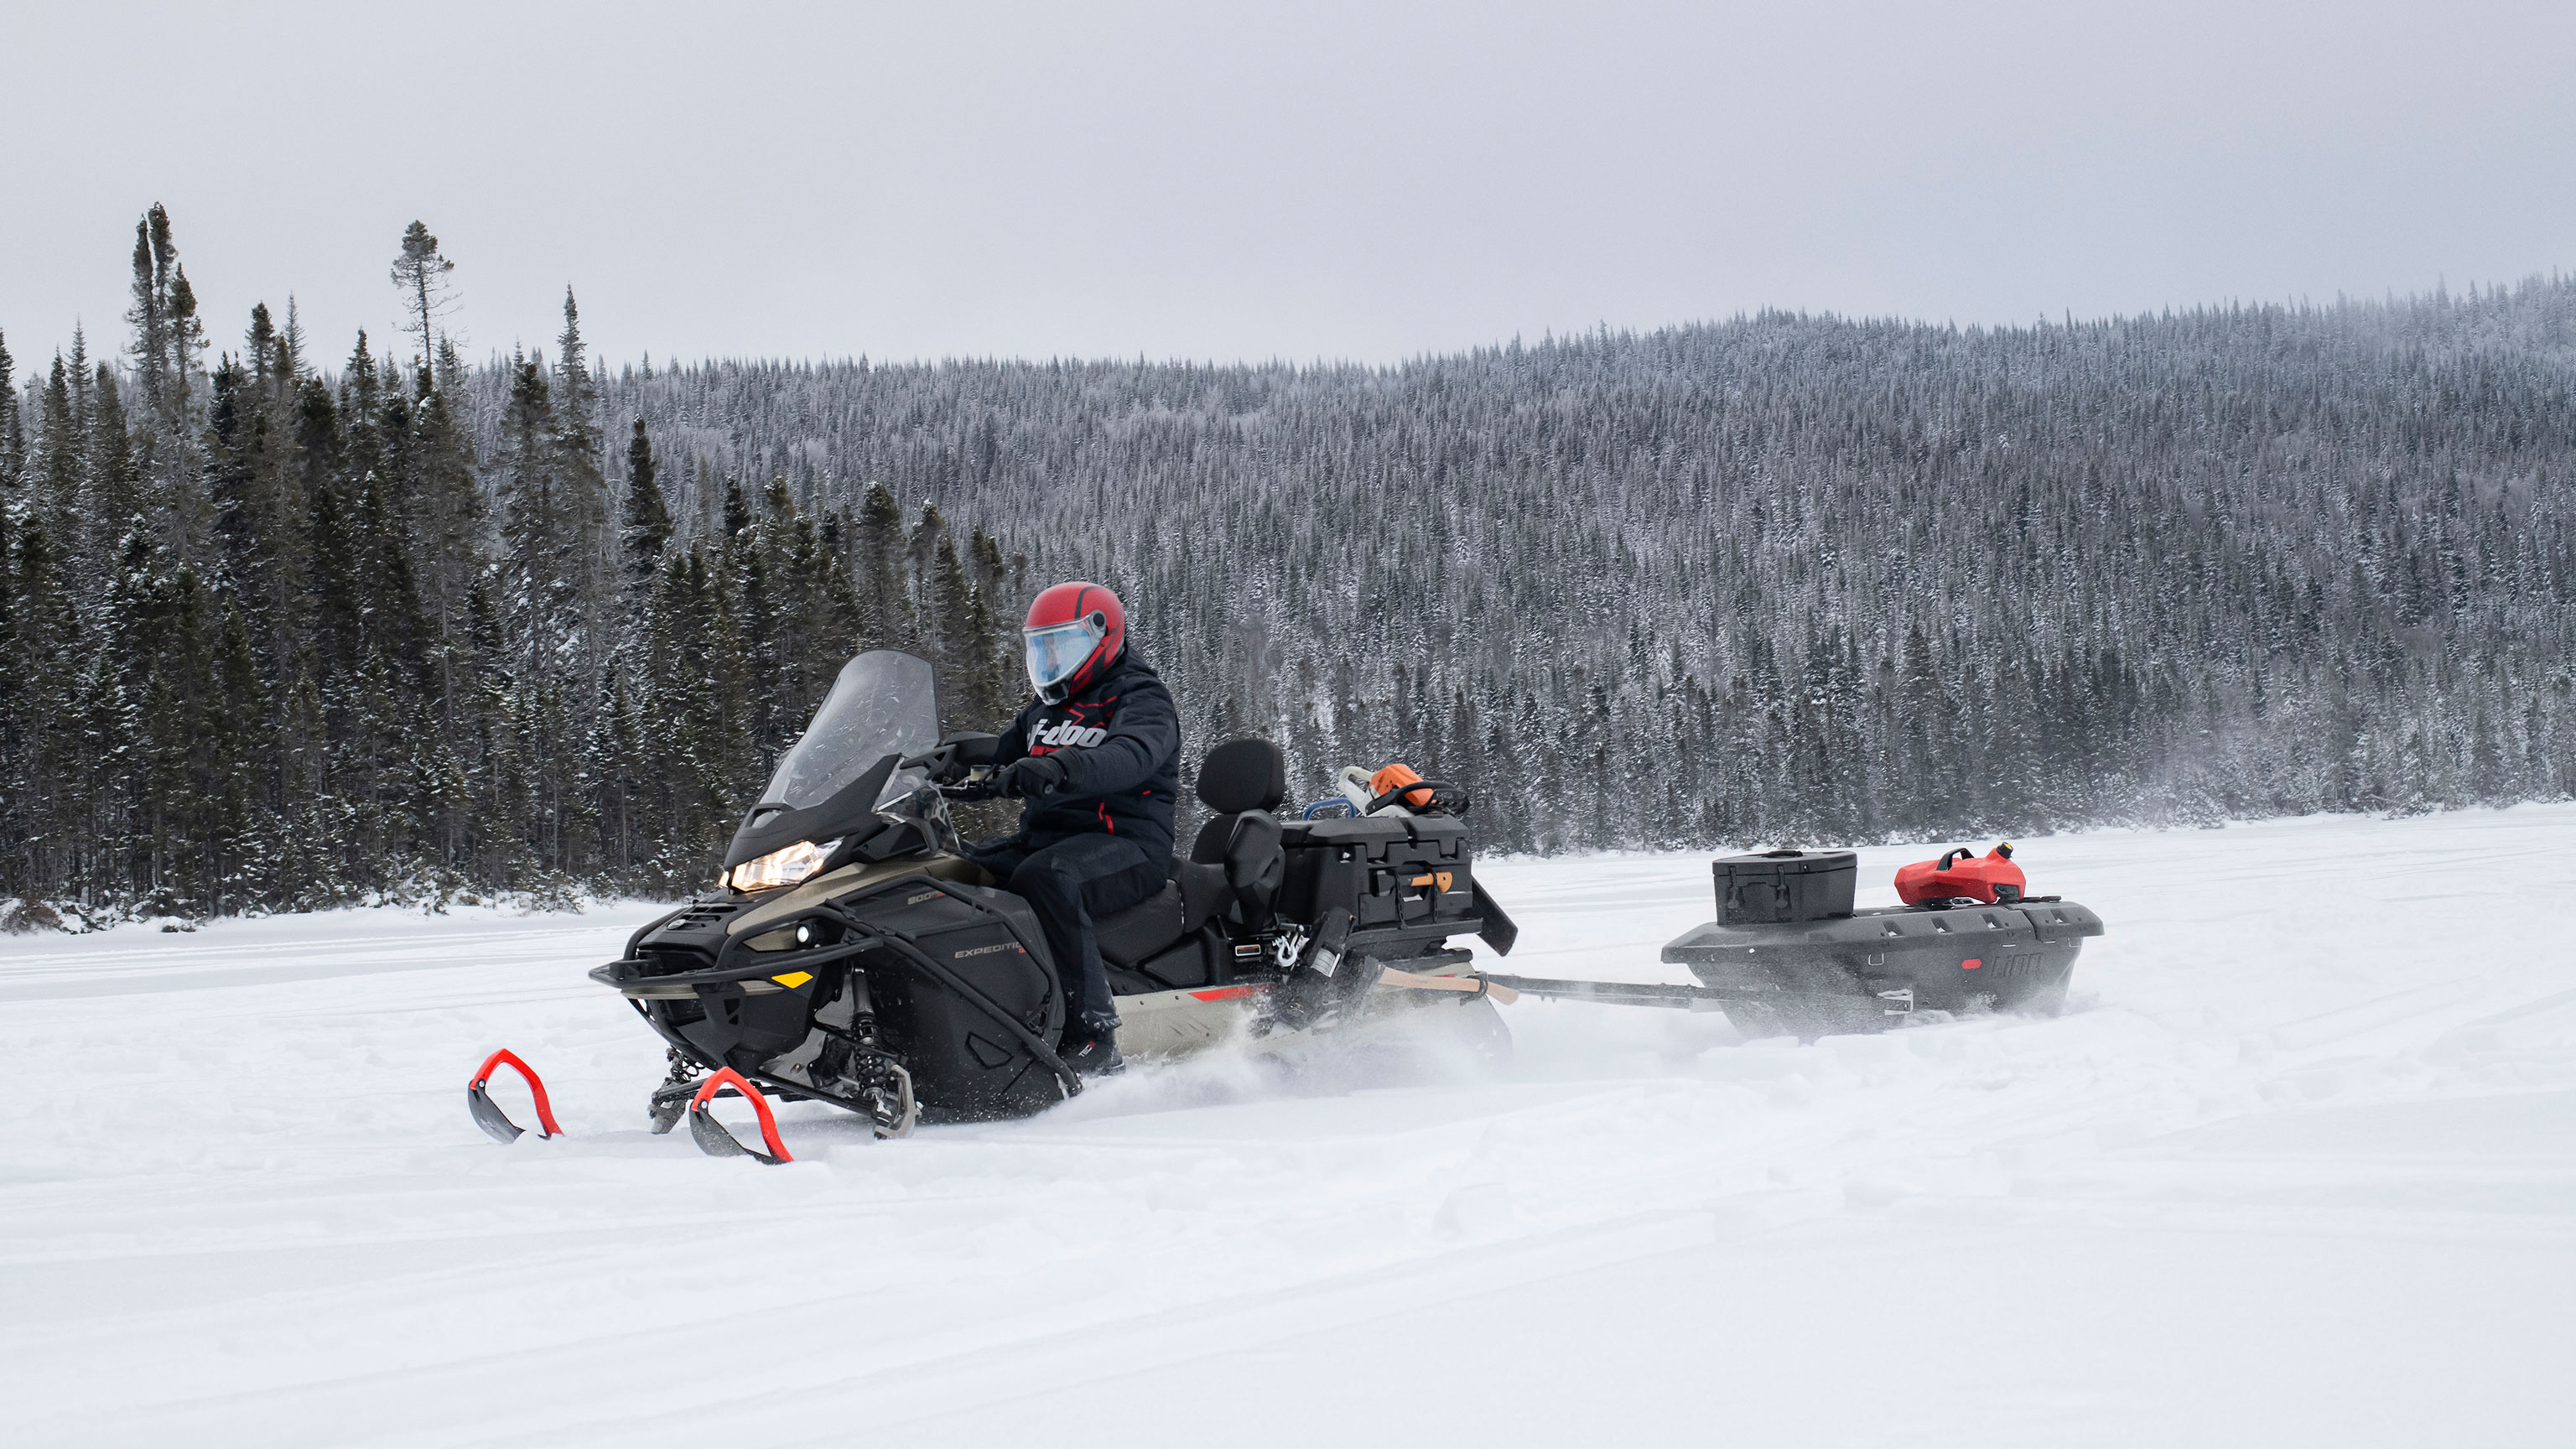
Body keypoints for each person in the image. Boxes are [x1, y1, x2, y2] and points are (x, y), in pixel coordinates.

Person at [969, 582, 1180, 1076]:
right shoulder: (1043, 711)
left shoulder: (1142, 697)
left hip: (1126, 844)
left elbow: (1131, 755)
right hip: (1049, 840)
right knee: (958, 872)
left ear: (1101, 638)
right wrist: (941, 767)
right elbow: (998, 754)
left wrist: (1059, 767)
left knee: (1047, 879)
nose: (1049, 659)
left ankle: (1093, 1033)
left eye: (1061, 646)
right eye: (1041, 647)